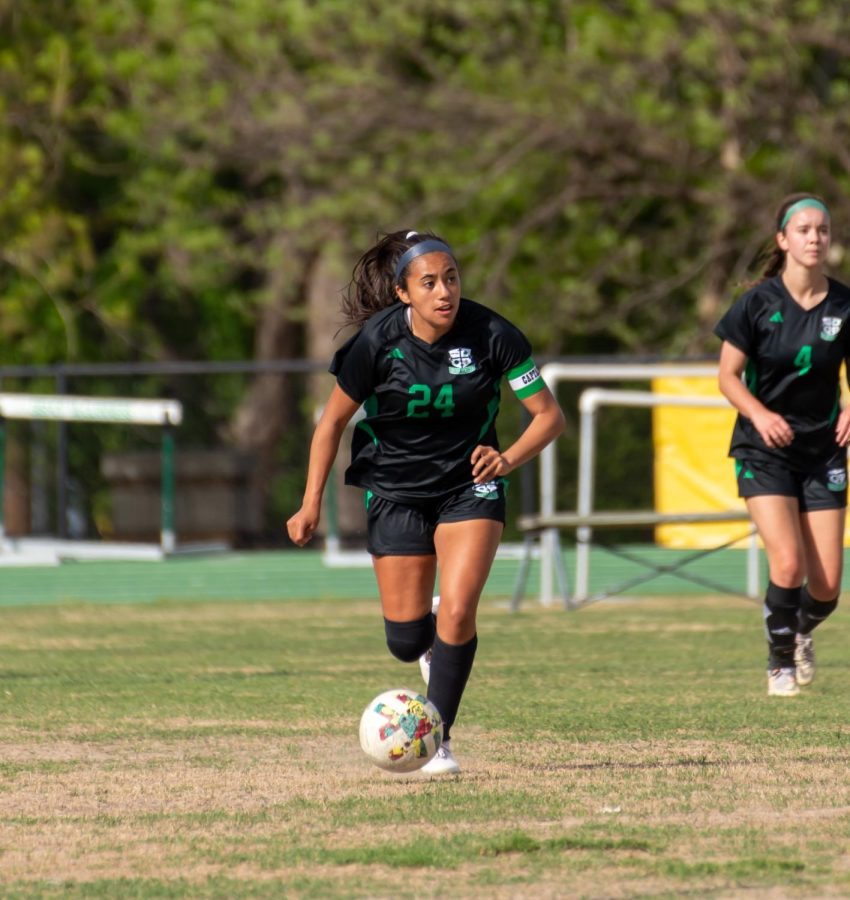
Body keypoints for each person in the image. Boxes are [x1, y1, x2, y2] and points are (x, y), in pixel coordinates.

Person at [287, 230, 565, 773]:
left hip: (470, 484)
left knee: (460, 610)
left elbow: (549, 416)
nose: (445, 292)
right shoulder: (377, 342)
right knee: (406, 638)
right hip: (395, 490)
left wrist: (506, 460)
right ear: (403, 293)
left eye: (452, 278)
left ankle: (436, 737)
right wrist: (309, 504)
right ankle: (429, 633)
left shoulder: (492, 334)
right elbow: (332, 423)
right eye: (429, 282)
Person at [715, 193, 850, 697]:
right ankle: (779, 666)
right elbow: (727, 377)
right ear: (783, 240)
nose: (814, 238)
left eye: (823, 230)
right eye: (804, 230)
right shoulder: (755, 303)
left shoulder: (844, 303)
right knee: (788, 563)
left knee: (828, 586)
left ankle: (799, 632)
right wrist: (761, 413)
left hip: (823, 451)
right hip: (763, 448)